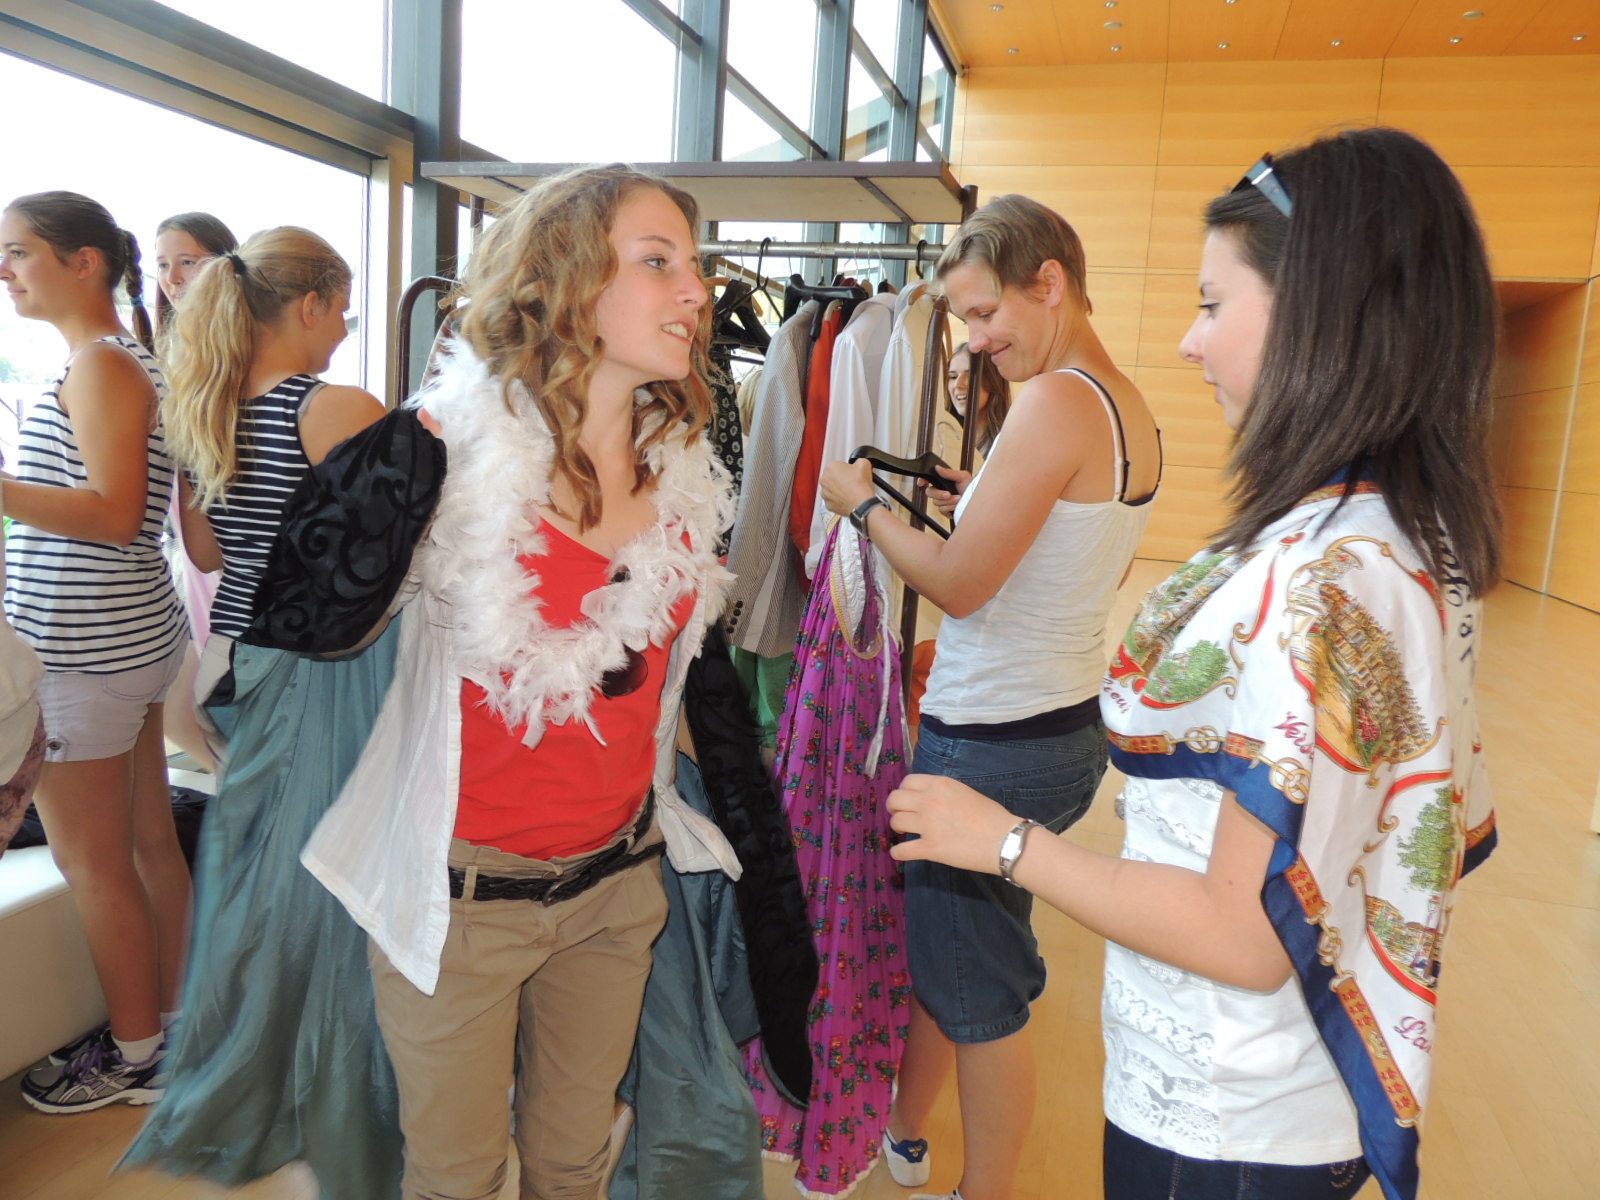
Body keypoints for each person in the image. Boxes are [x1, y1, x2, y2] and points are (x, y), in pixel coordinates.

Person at [884, 127, 1500, 1200]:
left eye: (1214, 305)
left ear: (1320, 313)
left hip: (1231, 1111)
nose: (1187, 341)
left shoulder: (1329, 576)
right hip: (1268, 1078)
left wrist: (1005, 842)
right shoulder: (1400, 538)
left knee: (975, 986)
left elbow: (1247, 929)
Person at [299, 164, 737, 1200]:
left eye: (696, 266)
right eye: (658, 262)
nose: (696, 291)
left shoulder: (686, 472)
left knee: (573, 1163)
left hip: (615, 889)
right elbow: (314, 623)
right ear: (565, 281)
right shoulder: (440, 463)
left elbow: (659, 687)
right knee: (453, 1177)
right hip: (460, 902)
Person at [820, 194, 1162, 1200]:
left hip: (990, 742)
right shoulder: (1123, 406)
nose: (972, 341)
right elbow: (1070, 551)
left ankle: (988, 1188)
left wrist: (864, 506)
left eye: (984, 313)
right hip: (1061, 727)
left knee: (981, 994)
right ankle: (905, 1127)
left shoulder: (1054, 402)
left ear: (1048, 283)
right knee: (962, 958)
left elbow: (962, 584)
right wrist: (976, 496)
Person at [121, 226, 404, 1197]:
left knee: (274, 896)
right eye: (343, 310)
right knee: (344, 894)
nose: (344, 330)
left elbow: (206, 556)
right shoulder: (334, 408)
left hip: (242, 670)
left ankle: (275, 1089)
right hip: (334, 672)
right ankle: (348, 1102)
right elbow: (403, 558)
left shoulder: (206, 408)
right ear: (310, 304)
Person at [0, 190, 191, 1112]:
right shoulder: (115, 361)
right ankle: (171, 1030)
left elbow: (118, 515)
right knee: (147, 845)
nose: (5, 271)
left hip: (85, 648)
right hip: (121, 637)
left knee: (96, 863)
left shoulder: (104, 365)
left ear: (84, 263)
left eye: (18, 251)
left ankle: (137, 1055)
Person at [152, 210, 238, 774]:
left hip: (222, 532)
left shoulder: (231, 351)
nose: (173, 278)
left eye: (188, 261)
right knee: (182, 703)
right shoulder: (168, 352)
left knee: (208, 685)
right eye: (162, 265)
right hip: (184, 539)